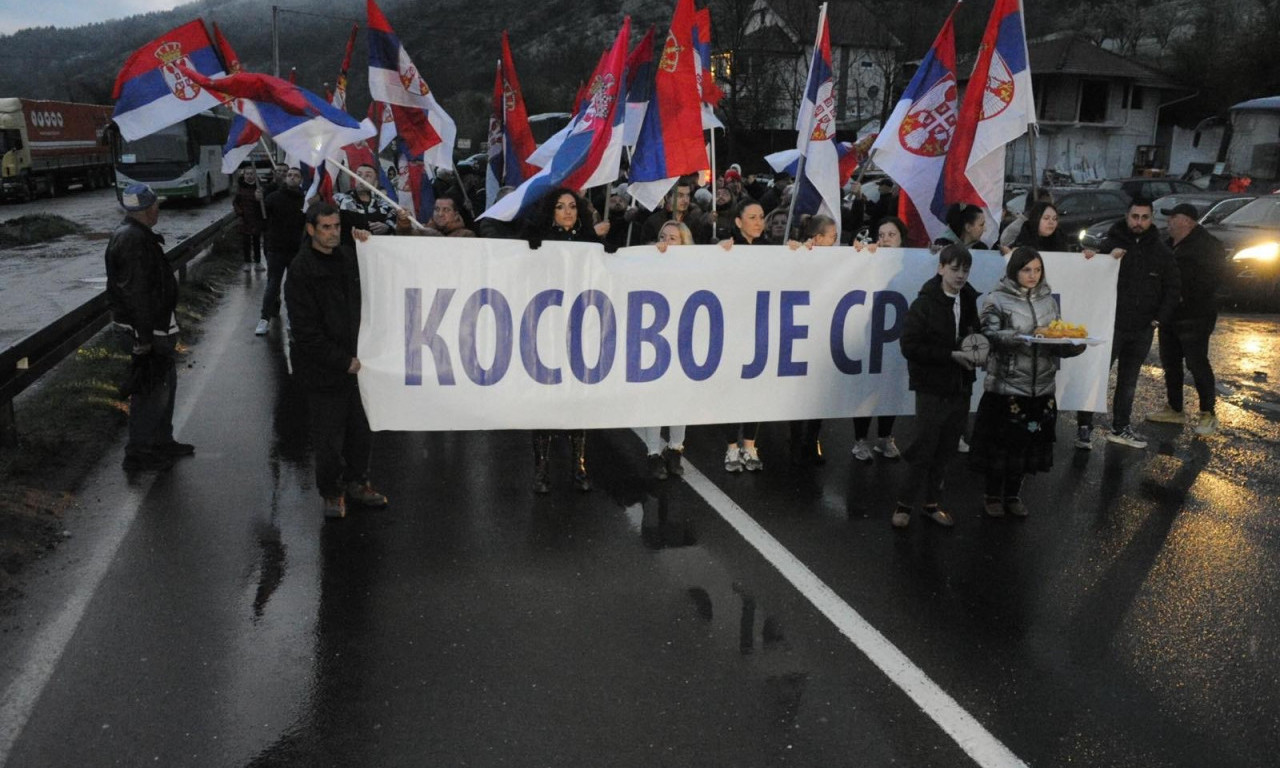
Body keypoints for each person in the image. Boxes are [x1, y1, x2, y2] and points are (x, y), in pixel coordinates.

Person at [284, 202, 389, 519]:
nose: (333, 233)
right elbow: (306, 332)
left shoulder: (347, 257)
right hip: (324, 373)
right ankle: (331, 492)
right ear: (311, 229)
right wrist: (344, 361)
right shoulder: (301, 271)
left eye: (337, 227)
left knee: (361, 432)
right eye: (326, 227)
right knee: (329, 440)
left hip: (358, 366)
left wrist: (366, 244)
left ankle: (358, 483)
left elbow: (375, 277)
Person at [970, 247, 1085, 518]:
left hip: (1042, 388)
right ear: (1015, 271)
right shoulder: (997, 299)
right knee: (1001, 447)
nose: (1033, 275)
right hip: (1007, 387)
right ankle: (992, 496)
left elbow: (1053, 340)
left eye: (1037, 270)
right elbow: (989, 334)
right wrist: (1022, 337)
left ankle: (1013, 494)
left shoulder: (1048, 301)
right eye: (1026, 270)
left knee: (1027, 446)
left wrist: (1071, 347)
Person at [1077, 199, 1180, 449]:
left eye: (1145, 217)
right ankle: (1084, 427)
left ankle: (1121, 427)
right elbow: (1088, 276)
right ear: (1127, 216)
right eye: (1135, 217)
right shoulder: (1109, 244)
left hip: (1142, 328)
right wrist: (1093, 258)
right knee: (1096, 376)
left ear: (1152, 218)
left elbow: (1173, 287)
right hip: (1109, 325)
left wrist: (1159, 318)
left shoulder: (1161, 252)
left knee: (1129, 380)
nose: (1139, 222)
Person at [105, 183, 194, 472]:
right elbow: (137, 293)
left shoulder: (135, 235)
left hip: (154, 327)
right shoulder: (132, 240)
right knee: (150, 390)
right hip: (147, 330)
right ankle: (140, 451)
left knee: (164, 384)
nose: (158, 209)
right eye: (155, 204)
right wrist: (144, 337)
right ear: (146, 209)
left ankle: (160, 441)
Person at [891, 244, 980, 528]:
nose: (960, 276)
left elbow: (973, 335)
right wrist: (950, 355)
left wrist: (979, 353)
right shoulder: (925, 304)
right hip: (931, 386)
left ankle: (931, 504)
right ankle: (903, 505)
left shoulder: (968, 300)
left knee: (946, 449)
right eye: (954, 269)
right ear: (941, 268)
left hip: (961, 386)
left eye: (965, 270)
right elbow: (910, 346)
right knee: (925, 446)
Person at [526, 188, 600, 493]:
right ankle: (541, 471)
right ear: (551, 211)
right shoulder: (537, 240)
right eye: (560, 206)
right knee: (545, 402)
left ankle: (579, 467)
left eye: (572, 206)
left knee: (576, 401)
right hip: (547, 329)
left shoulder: (590, 241)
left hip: (580, 329)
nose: (567, 212)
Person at [1146, 203, 1224, 435]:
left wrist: (1185, 295)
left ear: (1188, 221)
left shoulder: (1207, 246)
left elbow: (1213, 279)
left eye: (1173, 217)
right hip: (1170, 314)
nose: (1168, 221)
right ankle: (1175, 408)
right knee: (1170, 362)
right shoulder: (1167, 244)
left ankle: (1208, 413)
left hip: (1195, 315)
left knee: (1196, 362)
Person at [642, 220, 696, 479]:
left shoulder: (693, 267)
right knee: (655, 398)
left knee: (679, 399)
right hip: (655, 340)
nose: (665, 241)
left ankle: (675, 450)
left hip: (683, 338)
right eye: (663, 236)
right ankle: (653, 453)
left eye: (673, 238)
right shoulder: (648, 262)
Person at [850, 216, 907, 460]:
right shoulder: (869, 257)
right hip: (869, 335)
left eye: (891, 235)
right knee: (867, 387)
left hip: (896, 337)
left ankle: (885, 437)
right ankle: (860, 440)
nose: (885, 240)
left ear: (902, 238)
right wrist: (861, 255)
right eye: (881, 235)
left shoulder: (912, 261)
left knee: (891, 388)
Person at [788, 215, 839, 465]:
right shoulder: (799, 254)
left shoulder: (838, 259)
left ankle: (811, 440)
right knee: (799, 390)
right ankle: (796, 438)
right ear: (818, 238)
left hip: (823, 333)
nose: (836, 241)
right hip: (800, 333)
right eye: (832, 237)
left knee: (819, 392)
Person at [256, 167, 307, 335]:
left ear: (301, 180)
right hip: (276, 249)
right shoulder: (273, 198)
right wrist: (259, 202)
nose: (292, 178)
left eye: (296, 176)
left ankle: (293, 318)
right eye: (289, 175)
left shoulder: (305, 200)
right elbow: (262, 221)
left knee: (295, 286)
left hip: (296, 250)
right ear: (285, 179)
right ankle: (264, 318)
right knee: (273, 285)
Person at [333, 163, 399, 247]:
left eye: (368, 176)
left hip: (376, 252)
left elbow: (397, 226)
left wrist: (387, 227)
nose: (362, 178)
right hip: (347, 252)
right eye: (359, 174)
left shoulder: (385, 203)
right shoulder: (340, 199)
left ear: (375, 183)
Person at [639, 177, 711, 244]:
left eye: (688, 195)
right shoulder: (653, 222)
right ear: (667, 197)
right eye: (680, 195)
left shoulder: (694, 222)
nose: (685, 200)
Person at [233, 165, 267, 272]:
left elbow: (265, 202)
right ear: (244, 175)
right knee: (246, 242)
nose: (249, 176)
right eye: (247, 174)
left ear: (255, 175)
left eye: (251, 174)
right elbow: (235, 203)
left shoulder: (260, 187)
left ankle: (258, 262)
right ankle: (247, 262)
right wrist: (240, 213)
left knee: (257, 241)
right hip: (245, 219)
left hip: (256, 218)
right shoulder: (241, 188)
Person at [1006, 200, 1071, 253]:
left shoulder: (1060, 239)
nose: (1051, 222)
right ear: (1036, 219)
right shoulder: (1023, 240)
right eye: (1046, 218)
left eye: (1054, 219)